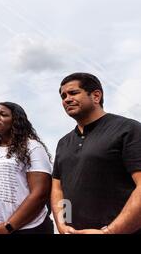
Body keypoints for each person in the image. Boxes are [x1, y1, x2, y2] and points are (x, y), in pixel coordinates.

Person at [52, 72, 141, 234]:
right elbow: (57, 188)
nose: (66, 99)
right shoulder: (63, 142)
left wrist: (110, 232)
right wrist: (63, 224)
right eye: (63, 96)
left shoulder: (128, 129)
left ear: (96, 96)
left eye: (73, 93)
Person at [0, 102, 53, 234]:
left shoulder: (32, 147)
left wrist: (8, 226)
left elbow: (40, 193)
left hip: (27, 228)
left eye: (3, 114)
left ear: (16, 121)